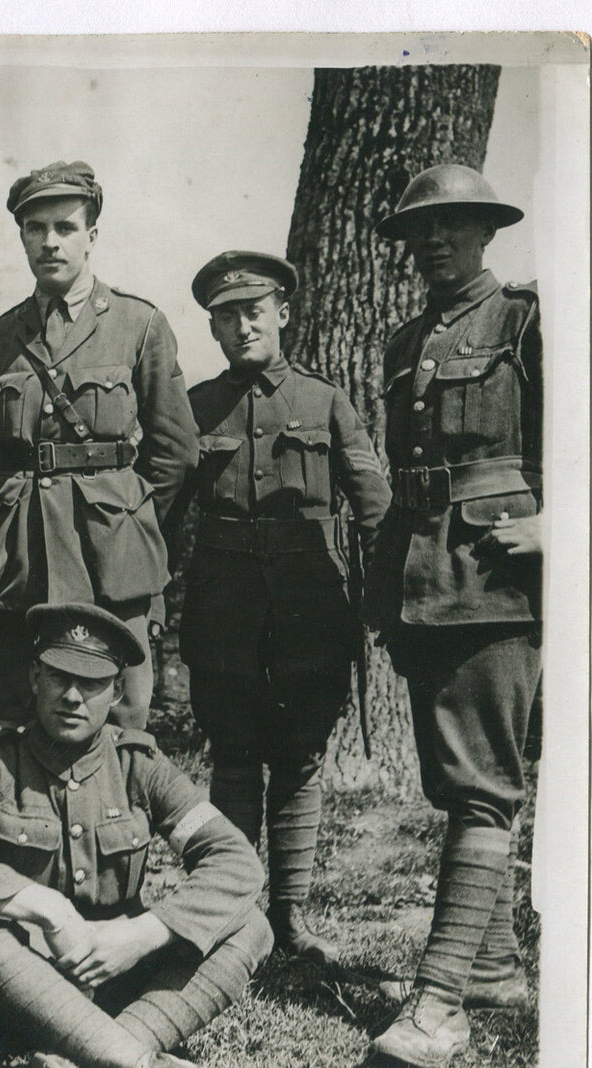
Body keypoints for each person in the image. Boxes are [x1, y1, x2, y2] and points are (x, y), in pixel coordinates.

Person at [0, 603, 272, 1068]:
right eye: (59, 676)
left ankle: (92, 1054)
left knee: (250, 926)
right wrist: (45, 906)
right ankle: (138, 1062)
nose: (73, 696)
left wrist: (141, 934)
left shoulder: (139, 765)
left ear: (117, 690)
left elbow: (236, 861)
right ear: (36, 677)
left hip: (115, 973)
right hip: (17, 982)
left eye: (93, 682)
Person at [365, 164, 542, 1068]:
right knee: (453, 780)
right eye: (417, 231)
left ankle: (437, 1006)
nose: (433, 242)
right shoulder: (406, 342)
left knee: (480, 788)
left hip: (498, 574)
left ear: (484, 230)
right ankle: (494, 968)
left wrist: (562, 524)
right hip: (423, 575)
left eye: (452, 225)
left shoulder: (523, 320)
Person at [179, 251, 391, 963]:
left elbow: (372, 507)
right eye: (225, 316)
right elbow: (159, 510)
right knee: (233, 754)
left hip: (310, 606)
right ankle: (235, 916)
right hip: (222, 607)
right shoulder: (195, 406)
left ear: (282, 313)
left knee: (299, 756)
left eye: (253, 311)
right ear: (210, 325)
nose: (241, 327)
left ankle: (291, 918)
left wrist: (388, 598)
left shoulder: (325, 400)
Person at [0, 161, 199, 731]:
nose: (50, 241)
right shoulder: (1, 336)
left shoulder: (137, 323)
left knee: (120, 713)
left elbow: (175, 452)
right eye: (36, 228)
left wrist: (129, 519)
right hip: (23, 554)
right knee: (14, 704)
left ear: (91, 235)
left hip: (111, 557)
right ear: (21, 237)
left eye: (65, 227)